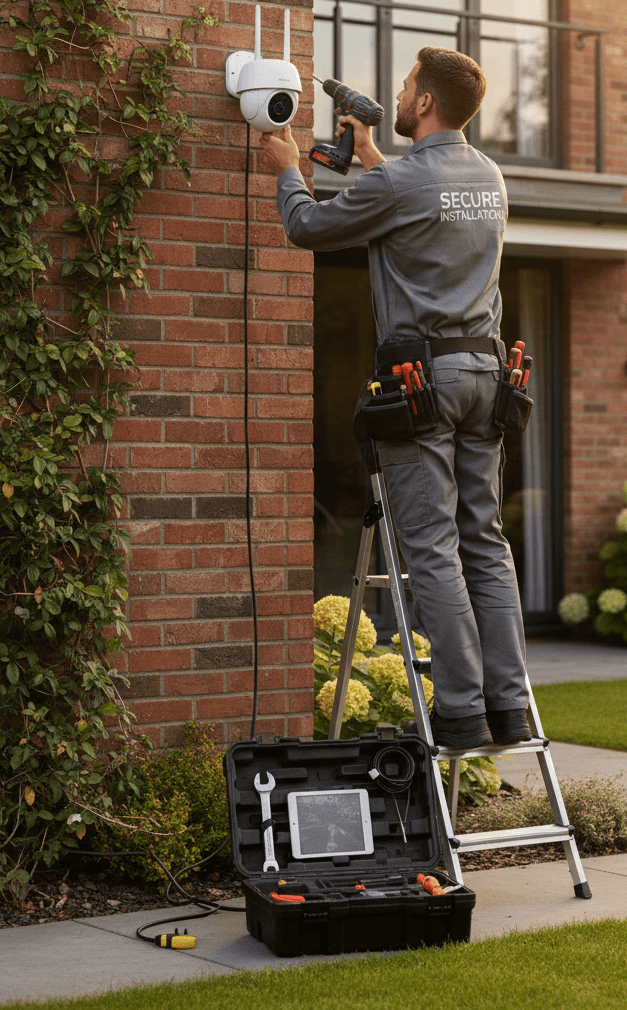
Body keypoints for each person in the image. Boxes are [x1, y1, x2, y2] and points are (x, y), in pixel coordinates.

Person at [259, 47, 530, 751]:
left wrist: (288, 168)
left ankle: (462, 711)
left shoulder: (406, 181)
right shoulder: (488, 177)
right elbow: (417, 205)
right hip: (484, 379)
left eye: (407, 86)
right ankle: (510, 705)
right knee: (485, 544)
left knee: (433, 548)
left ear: (428, 103)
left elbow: (308, 228)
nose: (400, 94)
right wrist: (373, 152)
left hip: (422, 384)